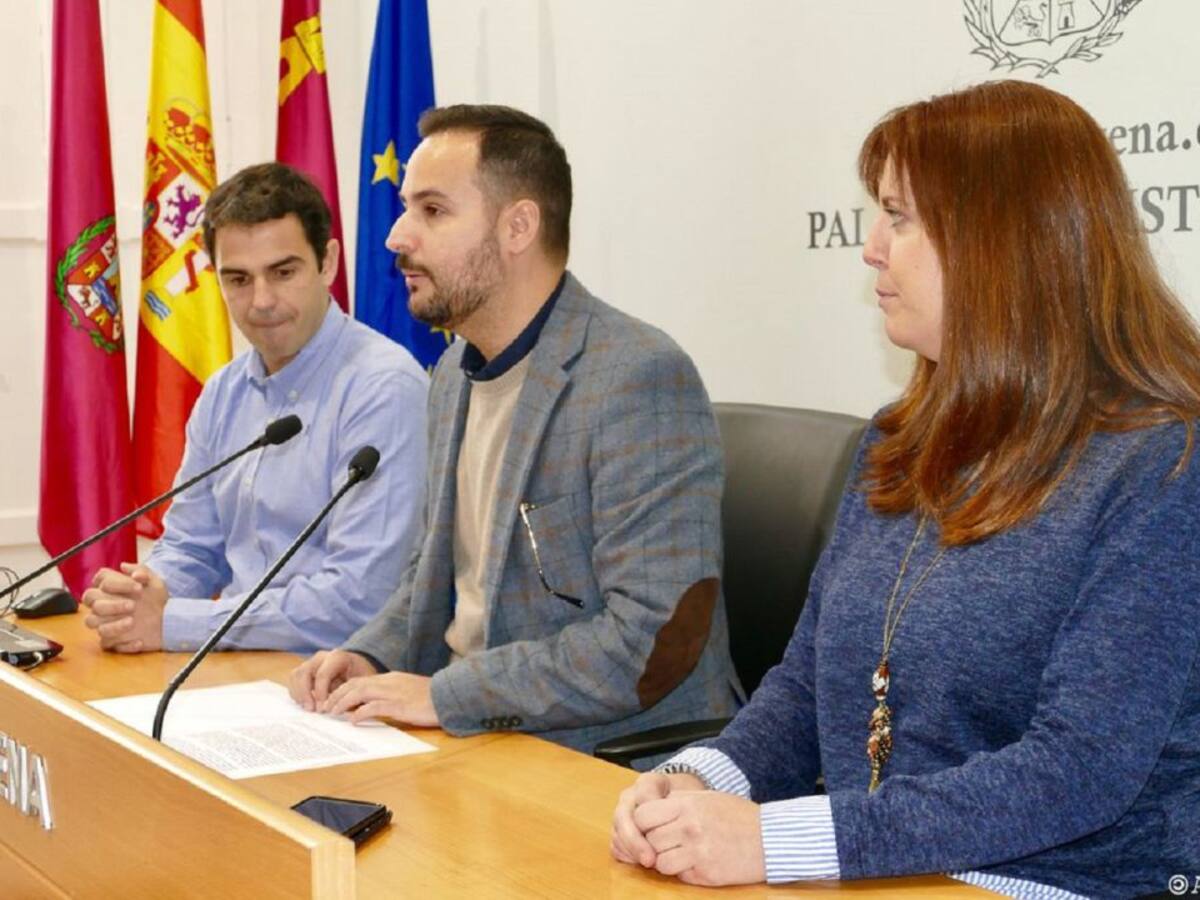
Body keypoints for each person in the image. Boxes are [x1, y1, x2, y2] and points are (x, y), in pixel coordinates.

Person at [610, 80, 1200, 898]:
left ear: (1000, 243)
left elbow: (1078, 769)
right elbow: (809, 686)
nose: (871, 248)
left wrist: (782, 840)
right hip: (882, 871)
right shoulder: (898, 438)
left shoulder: (1162, 464)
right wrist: (699, 779)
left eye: (900, 216)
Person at [287, 105, 740, 755]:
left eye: (432, 210)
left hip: (600, 760)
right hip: (470, 736)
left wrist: (445, 696)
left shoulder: (635, 377)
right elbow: (434, 574)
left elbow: (648, 641)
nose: (396, 236)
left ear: (518, 226)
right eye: (407, 208)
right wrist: (370, 656)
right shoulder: (452, 372)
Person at [81, 163, 429, 653]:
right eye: (238, 279)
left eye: (283, 272)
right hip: (236, 670)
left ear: (327, 263)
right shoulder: (224, 392)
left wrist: (175, 622)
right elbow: (192, 547)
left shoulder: (384, 388)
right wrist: (140, 598)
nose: (261, 301)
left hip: (345, 678)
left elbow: (360, 599)